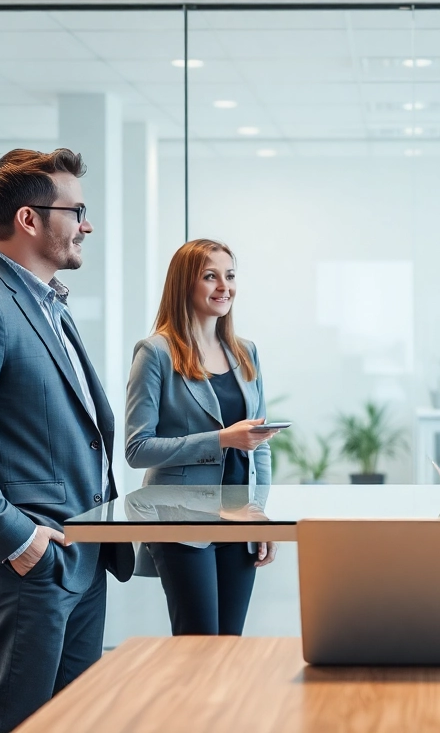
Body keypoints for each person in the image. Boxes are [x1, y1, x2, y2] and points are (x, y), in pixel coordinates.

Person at [0, 148, 134, 733]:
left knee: (69, 719)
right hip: (27, 564)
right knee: (15, 722)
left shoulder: (48, 304)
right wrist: (19, 540)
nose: (86, 224)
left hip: (79, 555)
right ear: (30, 219)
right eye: (77, 210)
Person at [125, 239, 278, 636]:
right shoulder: (156, 352)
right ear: (184, 285)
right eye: (210, 276)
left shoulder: (247, 353)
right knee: (198, 647)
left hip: (238, 519)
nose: (224, 286)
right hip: (179, 519)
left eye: (229, 275)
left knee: (229, 646)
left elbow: (260, 447)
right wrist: (221, 440)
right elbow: (138, 449)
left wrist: (259, 515)